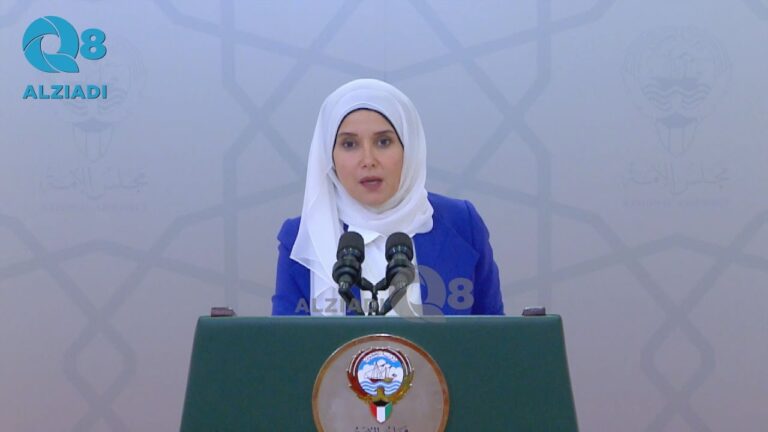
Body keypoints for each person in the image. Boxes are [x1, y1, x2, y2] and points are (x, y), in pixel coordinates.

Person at [272, 79, 504, 316]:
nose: (368, 160)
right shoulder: (302, 237)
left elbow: (493, 332)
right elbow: (286, 338)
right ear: (329, 156)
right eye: (349, 144)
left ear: (409, 147)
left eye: (383, 142)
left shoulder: (461, 224)